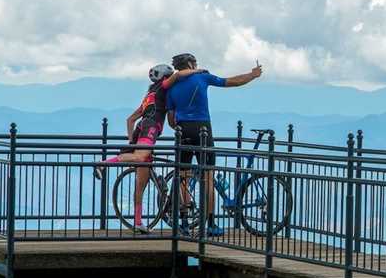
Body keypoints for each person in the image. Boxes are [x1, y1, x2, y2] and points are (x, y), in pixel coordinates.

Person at [97, 62, 204, 232]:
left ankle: (138, 222)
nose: (171, 80)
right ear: (164, 77)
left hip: (142, 128)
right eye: (168, 77)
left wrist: (132, 141)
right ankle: (104, 164)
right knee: (140, 158)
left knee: (141, 183)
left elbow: (130, 120)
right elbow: (177, 76)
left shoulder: (149, 95)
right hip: (151, 128)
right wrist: (197, 71)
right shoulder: (163, 88)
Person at [166, 52, 263, 236]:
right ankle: (210, 224)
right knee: (208, 177)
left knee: (183, 177)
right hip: (203, 128)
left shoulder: (172, 86)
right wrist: (253, 75)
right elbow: (231, 82)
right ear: (190, 63)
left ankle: (185, 223)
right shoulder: (202, 77)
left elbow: (171, 119)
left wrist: (180, 126)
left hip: (182, 129)